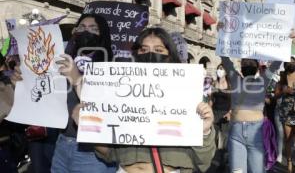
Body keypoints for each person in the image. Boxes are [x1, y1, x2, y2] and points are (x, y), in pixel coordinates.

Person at [59, 27, 216, 173]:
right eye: (144, 50)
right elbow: (108, 153)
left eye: (159, 50)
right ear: (136, 54)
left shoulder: (189, 95)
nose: (150, 54)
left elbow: (204, 161)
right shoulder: (120, 94)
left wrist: (204, 131)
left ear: (170, 56)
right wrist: (88, 126)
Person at [50, 13, 116, 173]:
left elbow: (104, 107)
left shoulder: (113, 66)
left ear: (103, 35)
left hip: (92, 151)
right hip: (62, 143)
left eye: (94, 29)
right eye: (82, 27)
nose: (87, 32)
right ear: (74, 31)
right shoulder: (63, 60)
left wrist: (76, 78)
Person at [278, 56, 295, 173]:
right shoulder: (282, 76)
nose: (291, 63)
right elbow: (276, 93)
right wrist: (283, 91)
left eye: (293, 62)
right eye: (289, 62)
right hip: (286, 111)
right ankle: (290, 162)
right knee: (288, 138)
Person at [210, 63, 231, 171]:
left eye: (222, 69)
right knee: (213, 138)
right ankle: (214, 160)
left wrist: (230, 113)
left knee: (224, 139)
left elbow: (234, 101)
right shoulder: (214, 83)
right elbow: (211, 100)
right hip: (215, 113)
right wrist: (209, 111)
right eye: (218, 69)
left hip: (226, 114)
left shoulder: (230, 84)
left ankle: (223, 161)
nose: (220, 70)